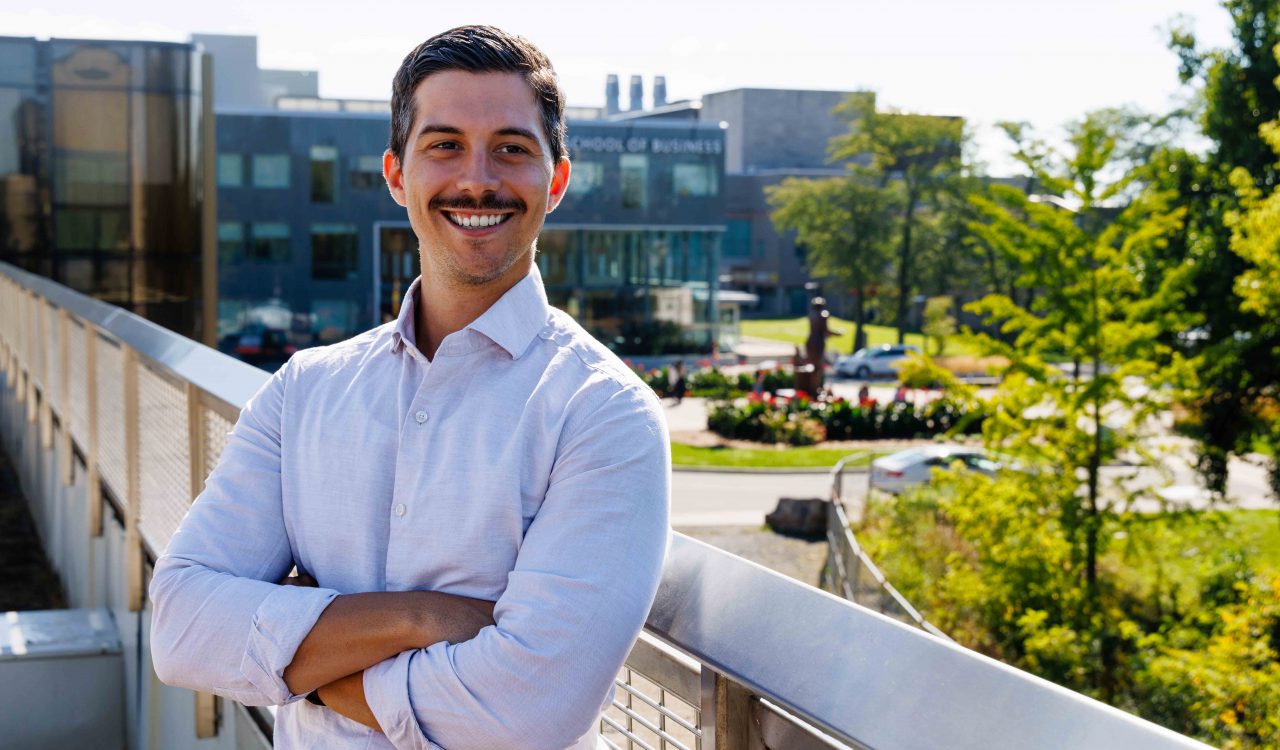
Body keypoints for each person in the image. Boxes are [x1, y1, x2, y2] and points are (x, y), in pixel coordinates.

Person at [149, 26, 670, 750]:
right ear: (397, 175)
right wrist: (419, 617)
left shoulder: (603, 413)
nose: (478, 179)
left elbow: (527, 714)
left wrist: (296, 654)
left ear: (555, 180)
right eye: (445, 144)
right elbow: (179, 629)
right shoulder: (304, 390)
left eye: (512, 148)